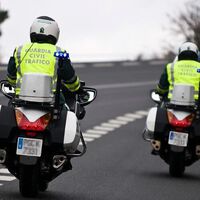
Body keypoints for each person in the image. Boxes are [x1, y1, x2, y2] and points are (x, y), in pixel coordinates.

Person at [6, 16, 86, 119]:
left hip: (21, 100)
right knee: (69, 116)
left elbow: (11, 75)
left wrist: (15, 84)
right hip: (52, 101)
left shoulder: (20, 49)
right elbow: (69, 77)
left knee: (9, 111)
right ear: (55, 33)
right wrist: (77, 88)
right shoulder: (59, 52)